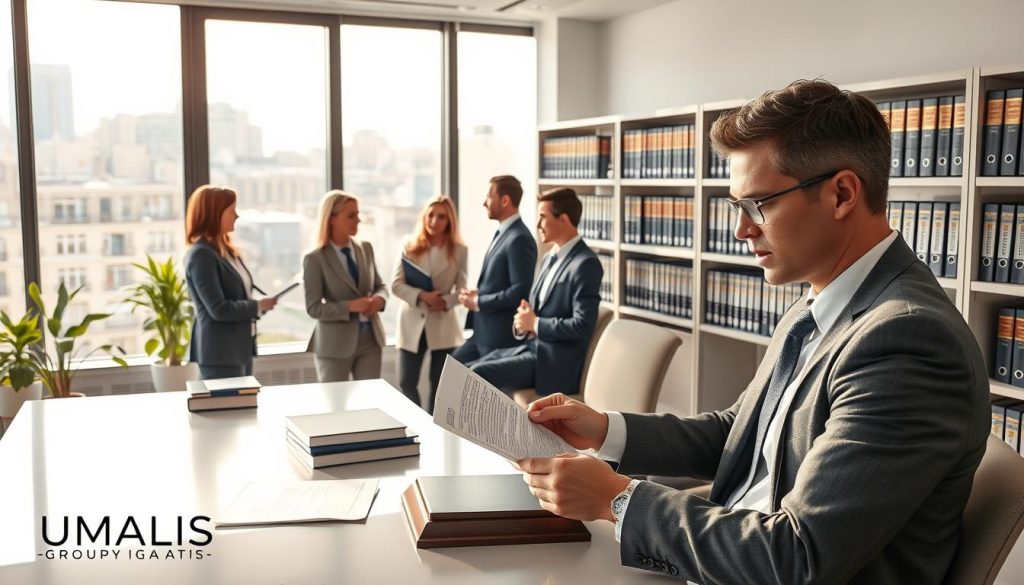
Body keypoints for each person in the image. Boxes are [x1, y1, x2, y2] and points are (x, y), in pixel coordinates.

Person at [517, 80, 989, 584]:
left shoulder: (907, 342)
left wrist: (617, 499)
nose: (742, 230)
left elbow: (797, 559)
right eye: (736, 207)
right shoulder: (819, 303)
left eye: (758, 204)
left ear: (842, 194)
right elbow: (737, 433)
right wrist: (605, 430)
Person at [465, 187, 602, 395]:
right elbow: (536, 313)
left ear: (563, 219)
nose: (537, 224)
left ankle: (469, 428)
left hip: (551, 362)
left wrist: (535, 323)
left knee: (477, 373)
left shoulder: (586, 264)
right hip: (529, 349)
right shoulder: (548, 258)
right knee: (466, 369)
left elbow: (582, 326)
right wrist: (524, 321)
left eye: (543, 217)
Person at [184, 185, 277, 380]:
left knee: (243, 408)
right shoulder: (201, 256)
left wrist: (260, 306)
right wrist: (257, 306)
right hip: (220, 354)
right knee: (228, 409)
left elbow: (238, 295)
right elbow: (218, 309)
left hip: (239, 349)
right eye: (231, 210)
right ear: (214, 213)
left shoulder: (227, 252)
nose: (237, 216)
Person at [391, 195, 468, 411]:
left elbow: (462, 291)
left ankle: (436, 430)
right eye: (430, 215)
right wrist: (423, 296)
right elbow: (396, 285)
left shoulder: (460, 250)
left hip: (442, 322)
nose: (434, 221)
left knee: (440, 385)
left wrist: (444, 301)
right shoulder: (409, 244)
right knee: (406, 381)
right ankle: (417, 425)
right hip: (412, 321)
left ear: (450, 220)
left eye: (441, 217)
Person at [303, 191, 387, 382]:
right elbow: (313, 308)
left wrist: (379, 300)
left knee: (369, 403)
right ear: (332, 219)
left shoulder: (365, 248)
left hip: (370, 340)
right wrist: (350, 306)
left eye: (358, 214)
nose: (358, 220)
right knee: (335, 405)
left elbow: (379, 285)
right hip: (334, 344)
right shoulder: (315, 259)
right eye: (351, 215)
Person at [453, 175, 537, 363]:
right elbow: (502, 282)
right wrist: (479, 293)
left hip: (498, 339)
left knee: (457, 383)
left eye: (489, 196)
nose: (485, 202)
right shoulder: (503, 233)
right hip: (482, 334)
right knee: (448, 375)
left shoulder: (519, 239)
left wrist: (478, 301)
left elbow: (520, 292)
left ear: (505, 200)